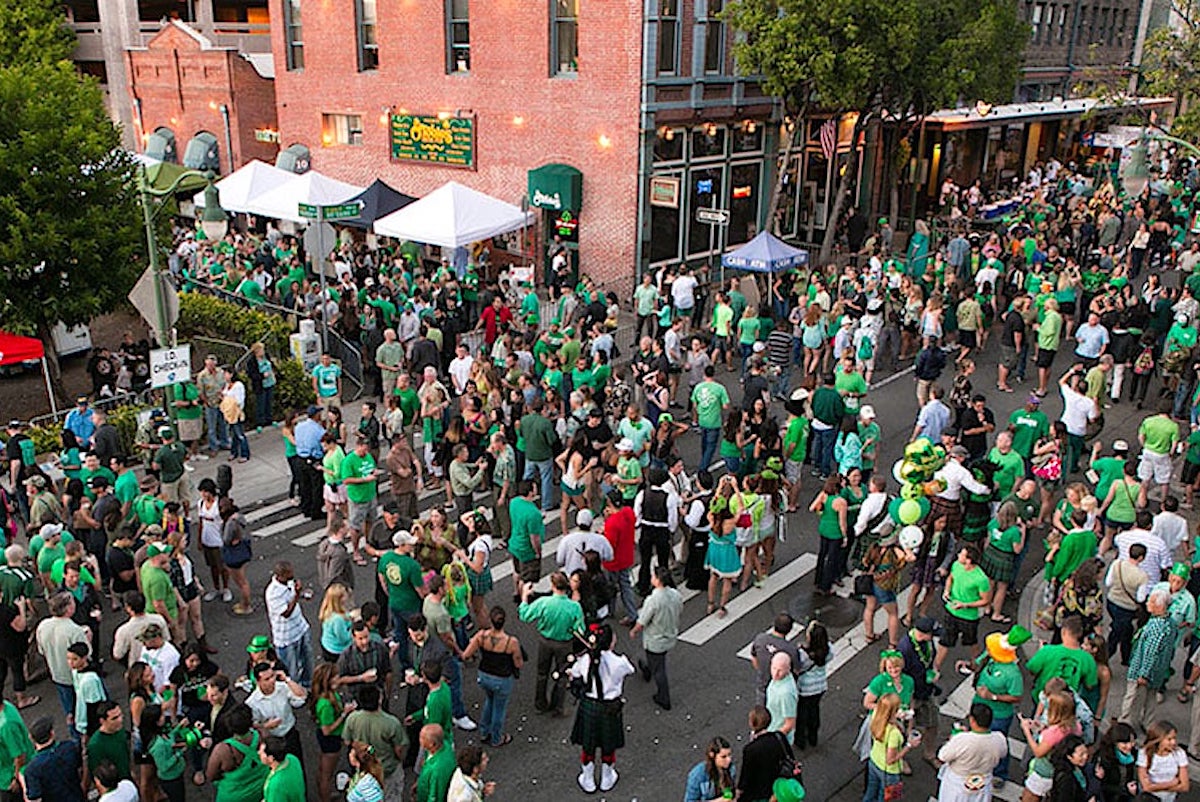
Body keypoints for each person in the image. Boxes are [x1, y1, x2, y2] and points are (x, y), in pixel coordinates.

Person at [569, 622, 635, 793]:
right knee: (609, 744)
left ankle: (588, 780)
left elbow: (575, 674)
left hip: (589, 705)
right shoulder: (620, 662)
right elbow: (631, 670)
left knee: (588, 744)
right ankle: (607, 778)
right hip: (610, 707)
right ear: (611, 642)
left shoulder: (584, 660)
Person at [518, 572, 584, 716]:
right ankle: (557, 706)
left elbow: (524, 615)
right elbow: (580, 629)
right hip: (565, 643)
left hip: (546, 641)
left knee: (542, 673)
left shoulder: (544, 602)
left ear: (553, 586)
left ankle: (540, 704)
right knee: (562, 675)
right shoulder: (574, 607)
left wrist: (524, 596)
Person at [1118, 589, 1176, 730]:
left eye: (1150, 600)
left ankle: (1126, 722)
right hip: (1158, 672)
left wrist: (1143, 673)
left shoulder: (1156, 626)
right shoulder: (1170, 622)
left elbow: (1151, 652)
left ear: (1160, 606)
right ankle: (1148, 723)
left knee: (1133, 698)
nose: (1147, 603)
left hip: (1141, 671)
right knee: (1151, 698)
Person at [340, 684, 407, 800]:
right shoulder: (392, 723)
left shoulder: (352, 719)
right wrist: (399, 760)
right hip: (386, 769)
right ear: (379, 700)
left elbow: (347, 741)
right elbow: (399, 749)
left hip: (364, 769)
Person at [632, 566, 682, 711]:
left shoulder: (653, 600)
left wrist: (634, 630)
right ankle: (647, 668)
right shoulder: (675, 594)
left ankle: (663, 697)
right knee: (658, 660)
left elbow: (643, 621)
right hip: (670, 634)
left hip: (655, 638)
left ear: (658, 580)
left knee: (659, 668)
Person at [935, 703, 1007, 802]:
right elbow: (1003, 753)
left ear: (972, 720)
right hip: (983, 784)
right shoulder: (999, 738)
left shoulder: (961, 739)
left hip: (958, 785)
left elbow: (942, 756)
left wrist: (953, 739)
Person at [205, 704, 270, 802]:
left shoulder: (223, 750)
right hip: (261, 790)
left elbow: (210, 775)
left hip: (234, 797)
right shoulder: (262, 735)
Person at [245, 663, 307, 765]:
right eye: (267, 679)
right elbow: (252, 726)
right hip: (272, 741)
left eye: (273, 676)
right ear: (258, 681)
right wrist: (266, 726)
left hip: (290, 734)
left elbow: (301, 696)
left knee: (297, 764)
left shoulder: (282, 687)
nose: (272, 680)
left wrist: (287, 679)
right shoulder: (252, 702)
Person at [264, 562, 312, 688]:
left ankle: (307, 685)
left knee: (307, 661)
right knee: (291, 670)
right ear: (280, 576)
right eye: (289, 575)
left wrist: (301, 594)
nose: (292, 577)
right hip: (286, 637)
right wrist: (296, 594)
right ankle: (294, 691)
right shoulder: (272, 593)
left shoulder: (289, 582)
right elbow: (286, 613)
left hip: (300, 628)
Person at [864, 692, 918, 802]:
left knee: (870, 794)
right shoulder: (894, 734)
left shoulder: (875, 716)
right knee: (885, 798)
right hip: (888, 772)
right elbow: (890, 760)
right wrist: (909, 746)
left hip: (874, 761)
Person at [1136, 721, 1190, 802]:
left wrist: (1155, 787)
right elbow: (1146, 787)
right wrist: (1172, 783)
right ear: (1158, 739)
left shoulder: (1179, 753)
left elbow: (1185, 786)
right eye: (1169, 739)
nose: (1173, 742)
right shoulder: (1144, 753)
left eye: (1174, 738)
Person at [684, 735, 737, 802]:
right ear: (712, 755)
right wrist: (720, 800)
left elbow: (729, 792)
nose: (729, 760)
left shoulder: (731, 769)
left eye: (729, 755)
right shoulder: (697, 775)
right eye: (723, 757)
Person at [415, 724, 455, 802]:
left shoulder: (436, 770)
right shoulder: (445, 746)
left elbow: (434, 796)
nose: (420, 740)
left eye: (422, 738)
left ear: (432, 744)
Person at [259, 734, 305, 802]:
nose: (259, 753)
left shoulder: (276, 785)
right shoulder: (292, 759)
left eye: (262, 752)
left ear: (271, 758)